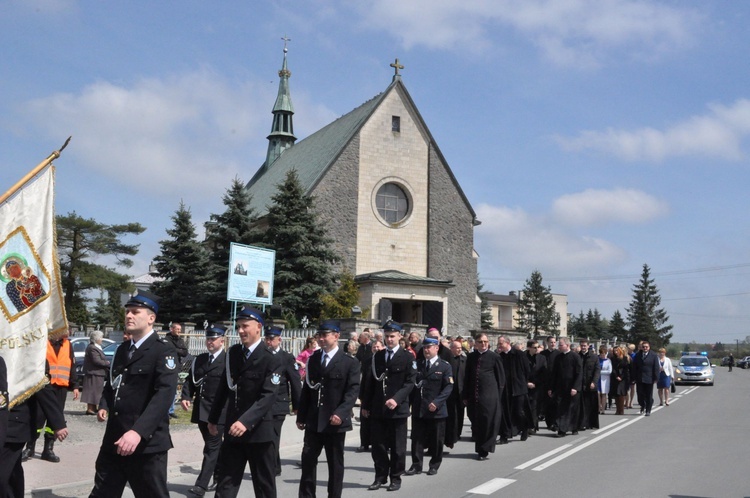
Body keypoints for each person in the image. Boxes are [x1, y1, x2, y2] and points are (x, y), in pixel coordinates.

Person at [89, 290, 179, 498]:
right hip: (115, 439)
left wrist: (138, 432)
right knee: (102, 493)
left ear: (151, 318)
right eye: (127, 311)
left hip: (145, 445)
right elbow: (114, 384)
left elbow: (164, 395)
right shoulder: (123, 349)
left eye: (135, 311)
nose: (128, 315)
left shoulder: (163, 350)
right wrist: (104, 403)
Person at [207, 306, 283, 498]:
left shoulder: (270, 358)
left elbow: (268, 396)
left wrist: (245, 421)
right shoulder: (233, 353)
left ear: (258, 327)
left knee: (264, 486)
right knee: (225, 484)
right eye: (238, 326)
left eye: (245, 326)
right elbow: (225, 387)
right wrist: (213, 418)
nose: (240, 331)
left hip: (260, 433)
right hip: (234, 430)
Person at [297, 320, 360, 498]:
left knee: (335, 463)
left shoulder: (349, 362)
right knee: (308, 461)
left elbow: (352, 391)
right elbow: (308, 390)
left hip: (334, 421)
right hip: (314, 420)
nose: (322, 339)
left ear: (337, 336)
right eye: (320, 336)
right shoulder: (314, 359)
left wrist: (340, 413)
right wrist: (301, 416)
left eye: (325, 335)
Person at [361, 321, 416, 492]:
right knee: (378, 446)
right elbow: (371, 382)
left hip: (397, 410)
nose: (389, 339)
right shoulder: (377, 356)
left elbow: (409, 383)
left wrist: (396, 399)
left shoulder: (408, 357)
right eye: (387, 336)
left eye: (392, 336)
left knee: (398, 447)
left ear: (400, 336)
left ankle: (395, 477)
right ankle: (380, 476)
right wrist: (366, 404)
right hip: (378, 408)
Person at [1, 361, 68, 497]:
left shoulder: (29, 352)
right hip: (7, 425)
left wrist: (58, 423)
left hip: (15, 425)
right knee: (12, 474)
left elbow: (42, 387)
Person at [180, 324, 229, 497]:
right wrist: (185, 396)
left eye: (213, 339)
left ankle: (201, 485)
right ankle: (220, 475)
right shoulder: (200, 359)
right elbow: (191, 381)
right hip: (201, 411)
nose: (209, 342)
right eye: (208, 338)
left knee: (211, 448)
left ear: (222, 340)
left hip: (219, 413)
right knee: (215, 447)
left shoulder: (228, 360)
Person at [23, 331, 79, 463]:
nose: (67, 331)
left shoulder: (68, 345)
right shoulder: (43, 342)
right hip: (43, 387)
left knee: (55, 419)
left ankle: (48, 449)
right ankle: (29, 447)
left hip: (61, 387)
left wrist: (75, 385)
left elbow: (72, 365)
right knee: (37, 418)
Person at [404, 337, 453, 476]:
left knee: (437, 439)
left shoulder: (444, 366)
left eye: (429, 347)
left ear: (436, 348)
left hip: (437, 409)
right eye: (424, 347)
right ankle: (416, 465)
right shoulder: (417, 365)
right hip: (420, 407)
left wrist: (437, 402)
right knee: (417, 438)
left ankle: (434, 464)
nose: (426, 350)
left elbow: (448, 387)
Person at [264, 325, 301, 477]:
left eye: (271, 339)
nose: (268, 342)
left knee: (273, 436)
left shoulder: (286, 358)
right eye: (266, 338)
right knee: (267, 436)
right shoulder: (262, 355)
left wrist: (297, 406)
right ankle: (275, 466)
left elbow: (295, 382)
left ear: (279, 340)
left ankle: (271, 468)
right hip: (263, 404)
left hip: (279, 403)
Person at [463, 333, 505, 460]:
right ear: (475, 343)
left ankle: (485, 449)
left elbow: (501, 379)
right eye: (480, 341)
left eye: (485, 341)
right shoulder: (471, 357)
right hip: (474, 396)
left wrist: (498, 396)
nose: (483, 344)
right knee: (477, 423)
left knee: (488, 422)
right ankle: (480, 448)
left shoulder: (494, 357)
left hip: (490, 396)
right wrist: (465, 395)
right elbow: (467, 377)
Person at [496, 336, 532, 443]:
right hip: (505, 389)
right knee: (504, 413)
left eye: (501, 343)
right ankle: (504, 435)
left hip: (518, 388)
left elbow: (527, 370)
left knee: (519, 411)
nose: (499, 346)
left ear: (507, 343)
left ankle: (524, 428)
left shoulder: (519, 354)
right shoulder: (499, 356)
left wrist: (523, 382)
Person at [548, 337, 582, 437]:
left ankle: (573, 427)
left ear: (567, 345)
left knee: (572, 409)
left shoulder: (575, 357)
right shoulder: (558, 357)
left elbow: (579, 373)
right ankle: (561, 429)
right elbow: (554, 374)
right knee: (561, 408)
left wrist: (575, 387)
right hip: (560, 387)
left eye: (561, 345)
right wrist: (551, 388)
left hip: (572, 388)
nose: (559, 346)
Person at [357, 338, 384, 453]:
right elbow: (364, 380)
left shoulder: (384, 360)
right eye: (374, 347)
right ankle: (364, 443)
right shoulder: (367, 361)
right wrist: (361, 396)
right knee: (365, 420)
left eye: (378, 347)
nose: (376, 349)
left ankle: (379, 443)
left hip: (379, 395)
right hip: (367, 394)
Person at [81, 330, 110, 416]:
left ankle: (94, 408)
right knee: (91, 391)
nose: (102, 339)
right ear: (96, 338)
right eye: (101, 337)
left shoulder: (96, 347)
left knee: (96, 392)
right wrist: (107, 363)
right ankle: (90, 409)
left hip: (97, 373)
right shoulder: (92, 348)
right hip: (93, 373)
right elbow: (96, 361)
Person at [164, 322, 189, 419]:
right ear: (171, 329)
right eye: (177, 329)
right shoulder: (166, 339)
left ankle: (171, 410)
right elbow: (169, 349)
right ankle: (165, 411)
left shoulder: (180, 340)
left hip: (177, 368)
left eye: (180, 329)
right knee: (167, 390)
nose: (179, 331)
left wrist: (176, 349)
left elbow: (185, 353)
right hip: (168, 367)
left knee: (174, 390)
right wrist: (178, 350)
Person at [445, 339, 466, 449]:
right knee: (451, 415)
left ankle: (458, 433)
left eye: (460, 348)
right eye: (457, 348)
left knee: (460, 414)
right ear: (451, 348)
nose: (459, 350)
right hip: (450, 392)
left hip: (461, 392)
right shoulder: (447, 360)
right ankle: (451, 436)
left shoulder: (464, 360)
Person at [525, 339, 547, 434]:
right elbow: (519, 372)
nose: (537, 349)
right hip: (525, 385)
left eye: (538, 347)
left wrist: (536, 383)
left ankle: (533, 426)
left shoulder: (542, 358)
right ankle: (525, 426)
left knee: (535, 407)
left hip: (537, 386)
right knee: (525, 407)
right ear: (529, 348)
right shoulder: (523, 357)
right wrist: (526, 383)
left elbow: (544, 373)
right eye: (534, 347)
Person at [577, 340, 601, 431]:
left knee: (590, 405)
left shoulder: (594, 357)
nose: (583, 347)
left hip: (590, 385)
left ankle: (590, 423)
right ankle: (581, 423)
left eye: (585, 346)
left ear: (588, 346)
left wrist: (594, 382)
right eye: (582, 345)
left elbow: (597, 371)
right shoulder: (577, 356)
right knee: (580, 406)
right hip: (580, 385)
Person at [633, 340, 660, 416]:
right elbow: (634, 367)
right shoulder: (638, 355)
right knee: (640, 394)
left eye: (646, 347)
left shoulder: (653, 355)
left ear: (649, 347)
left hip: (649, 378)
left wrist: (656, 378)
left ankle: (648, 410)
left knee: (648, 394)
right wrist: (634, 377)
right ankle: (643, 404)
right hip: (639, 378)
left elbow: (656, 367)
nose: (645, 348)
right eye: (643, 347)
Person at [540, 336, 560, 431]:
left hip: (556, 382)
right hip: (545, 382)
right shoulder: (543, 354)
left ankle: (555, 423)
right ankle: (549, 422)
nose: (553, 344)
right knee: (546, 404)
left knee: (555, 404)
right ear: (547, 343)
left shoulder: (559, 354)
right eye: (551, 342)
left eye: (554, 342)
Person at [609, 346, 631, 415]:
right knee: (616, 394)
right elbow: (612, 368)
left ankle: (621, 410)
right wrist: (616, 376)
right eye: (614, 351)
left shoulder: (625, 358)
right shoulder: (612, 359)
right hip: (615, 377)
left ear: (620, 351)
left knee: (621, 393)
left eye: (617, 351)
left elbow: (626, 369)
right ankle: (617, 409)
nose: (615, 352)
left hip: (623, 378)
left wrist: (621, 377)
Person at [597, 346, 612, 414]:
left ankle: (603, 409)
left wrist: (600, 372)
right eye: (601, 354)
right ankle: (598, 407)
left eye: (604, 354)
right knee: (597, 393)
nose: (602, 355)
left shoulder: (608, 361)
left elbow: (609, 371)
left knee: (604, 394)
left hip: (605, 380)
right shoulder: (597, 360)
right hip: (597, 379)